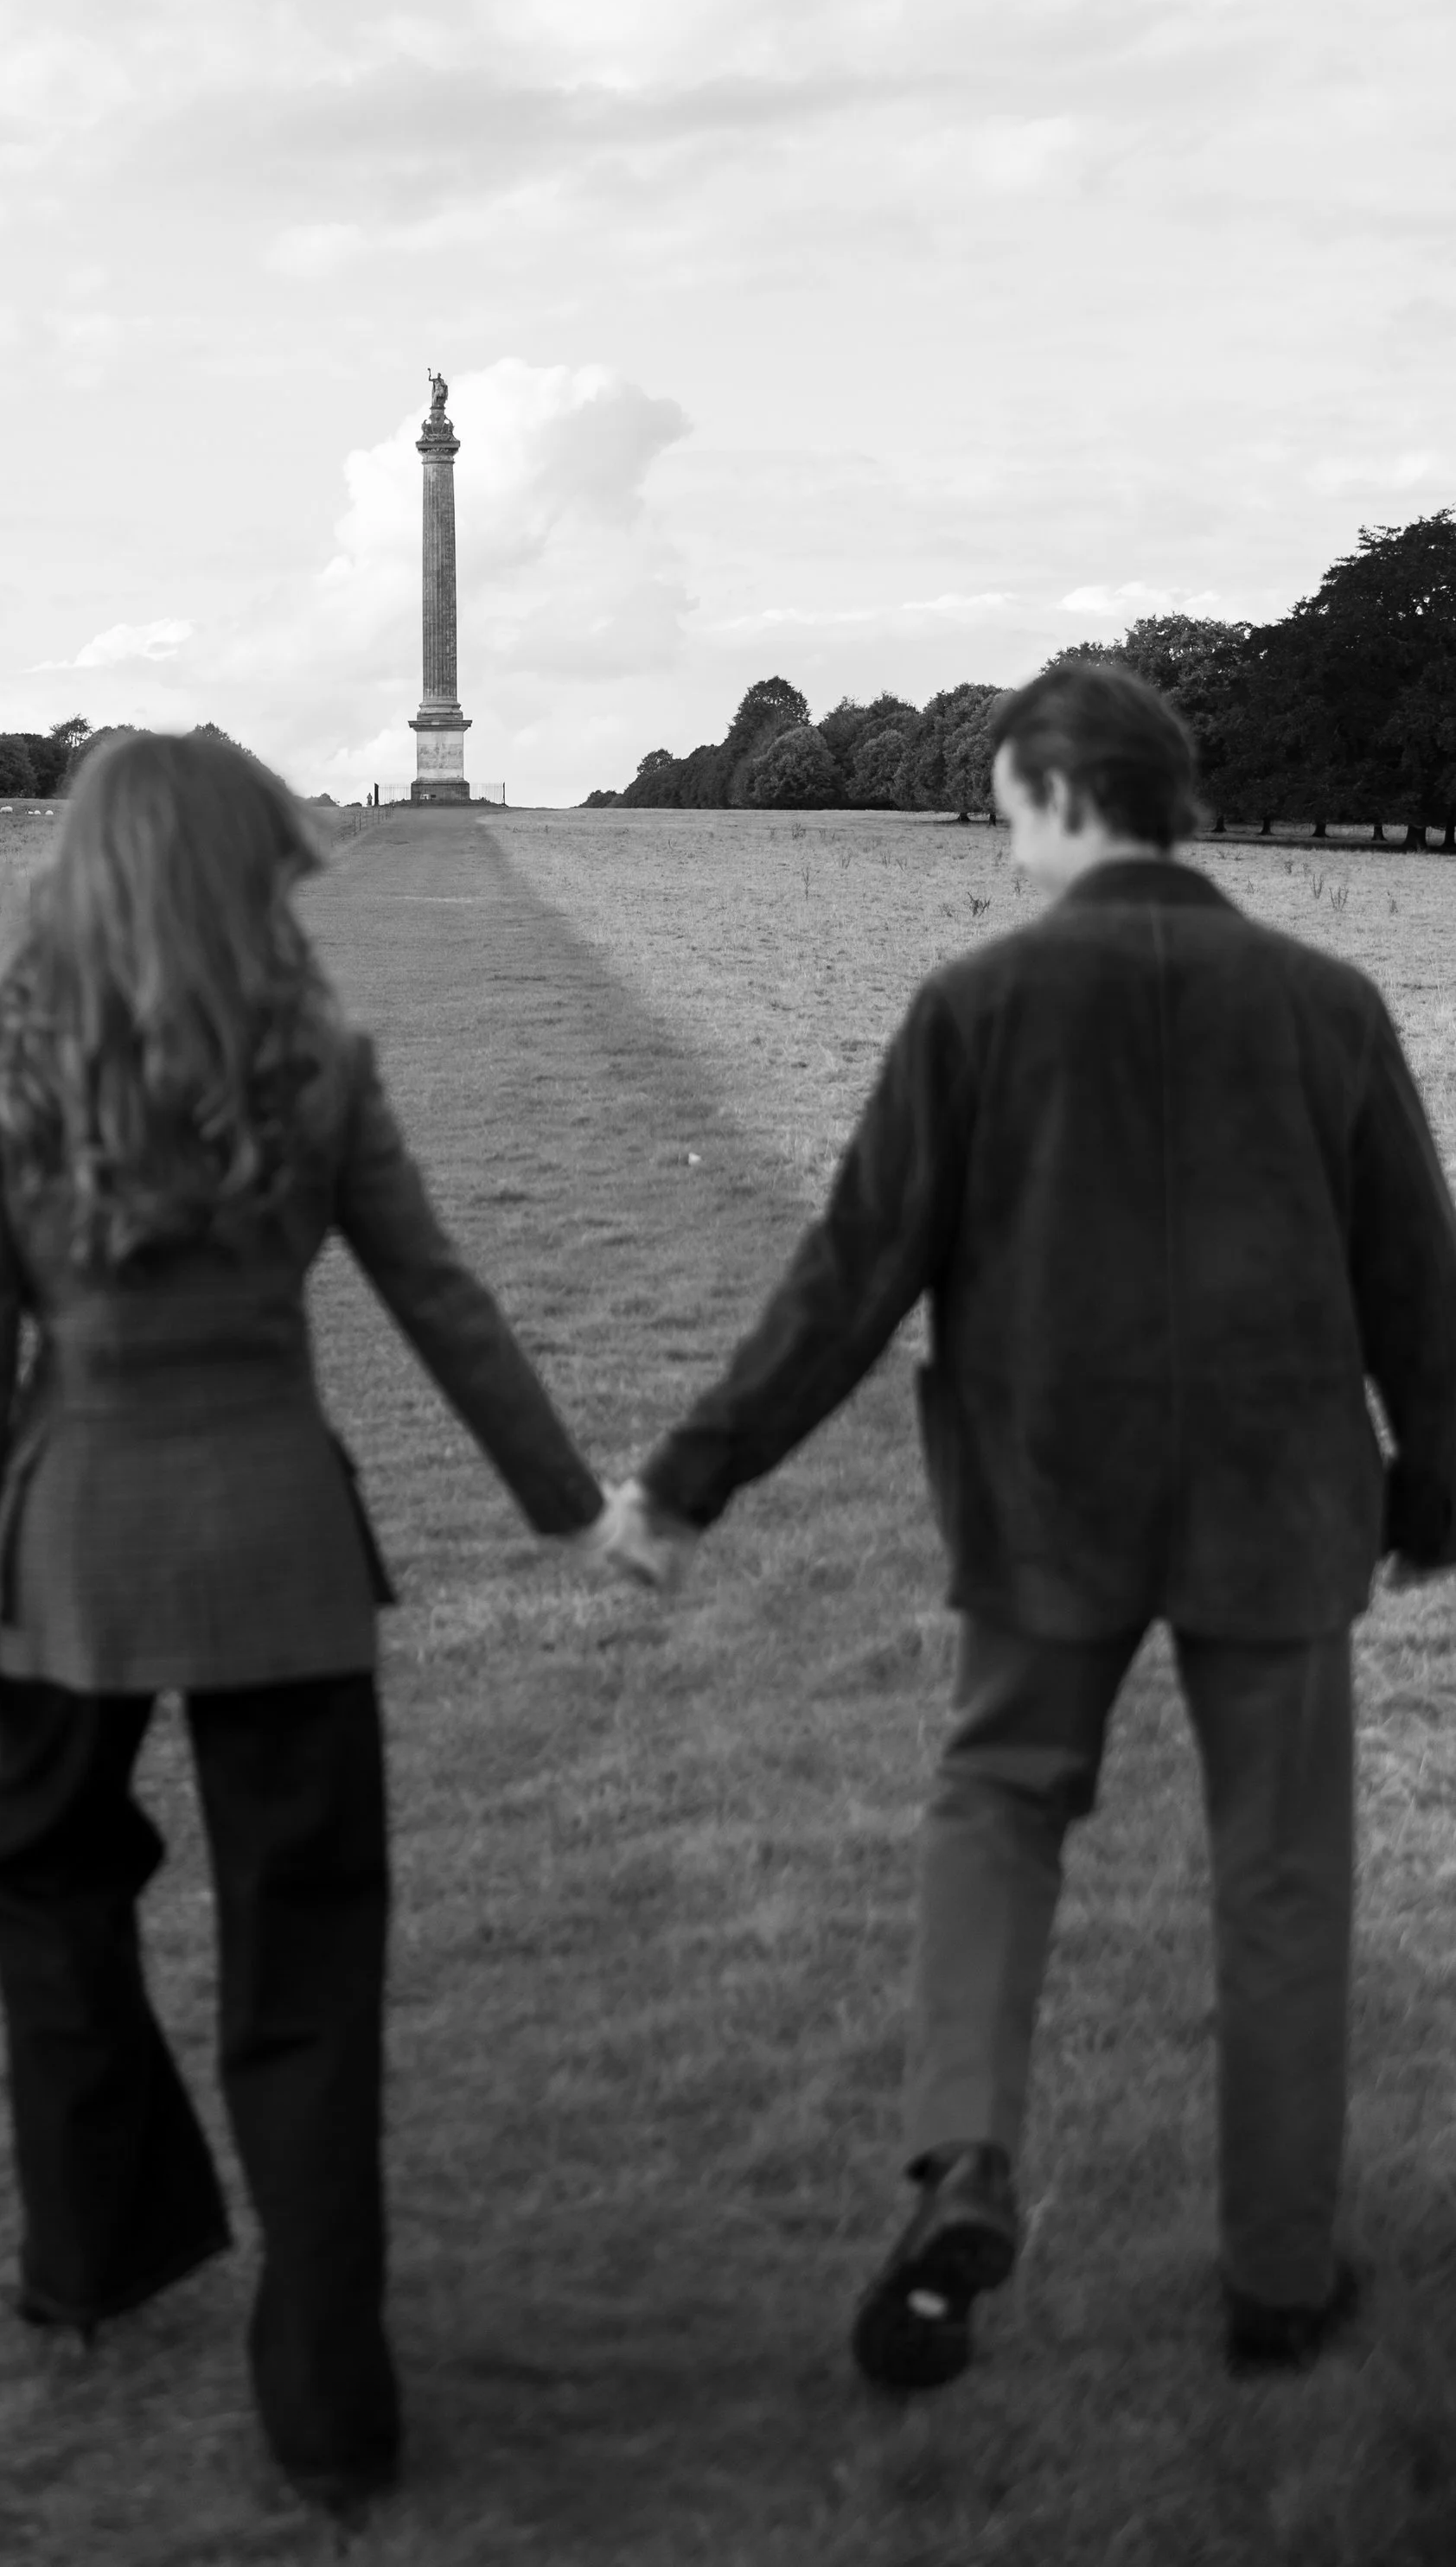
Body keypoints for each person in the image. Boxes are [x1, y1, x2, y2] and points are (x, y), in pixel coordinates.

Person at [623, 662, 1456, 2392]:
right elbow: (1418, 1292)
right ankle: (1279, 2285)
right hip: (1276, 1504)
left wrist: (686, 1481)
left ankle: (965, 2163)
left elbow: (848, 1282)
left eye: (1007, 814)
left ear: (1064, 797)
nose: (1003, 852)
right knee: (1286, 1880)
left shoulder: (973, 1006)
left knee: (994, 1810)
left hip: (1045, 1498)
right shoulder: (1325, 1003)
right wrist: (1431, 1492)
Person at [0, 728, 674, 2519]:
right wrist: (575, 1505)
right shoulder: (310, 1056)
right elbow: (438, 1297)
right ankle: (328, 2412)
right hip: (283, 1564)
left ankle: (90, 2254)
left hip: (65, 1562)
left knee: (55, 1901)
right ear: (240, 872)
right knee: (303, 1976)